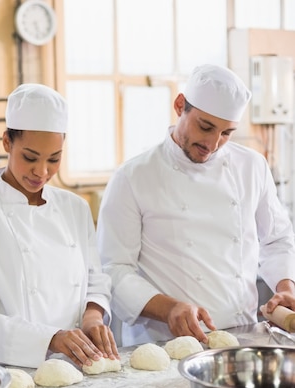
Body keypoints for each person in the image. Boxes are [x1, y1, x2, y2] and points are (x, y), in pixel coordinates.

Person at [96, 64, 295, 347]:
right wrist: (169, 308)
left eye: (227, 133)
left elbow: (277, 239)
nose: (213, 144)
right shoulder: (133, 177)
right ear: (180, 106)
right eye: (206, 127)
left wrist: (285, 287)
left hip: (242, 338)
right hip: (165, 343)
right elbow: (114, 269)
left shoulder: (252, 167)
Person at [0, 83, 119, 369]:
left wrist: (93, 316)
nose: (42, 172)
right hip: (11, 376)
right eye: (30, 157)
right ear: (6, 143)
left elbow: (94, 280)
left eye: (54, 159)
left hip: (80, 367)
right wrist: (49, 339)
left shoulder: (75, 208)